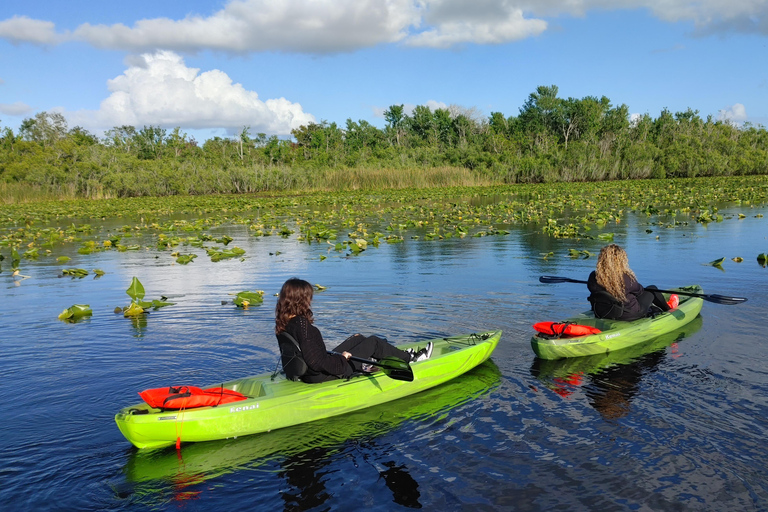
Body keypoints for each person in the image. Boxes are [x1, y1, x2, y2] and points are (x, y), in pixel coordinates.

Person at [275, 278, 433, 383]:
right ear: (300, 300)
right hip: (323, 374)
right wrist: (342, 360)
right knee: (373, 342)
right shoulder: (302, 324)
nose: (311, 301)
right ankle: (411, 359)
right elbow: (316, 362)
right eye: (308, 297)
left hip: (309, 373)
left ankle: (392, 356)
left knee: (358, 338)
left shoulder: (285, 321)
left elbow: (308, 354)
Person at [587, 244, 676, 321]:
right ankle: (668, 310)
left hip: (602, 313)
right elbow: (640, 291)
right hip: (629, 315)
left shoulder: (593, 276)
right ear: (621, 261)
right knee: (652, 289)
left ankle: (654, 309)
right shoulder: (625, 277)